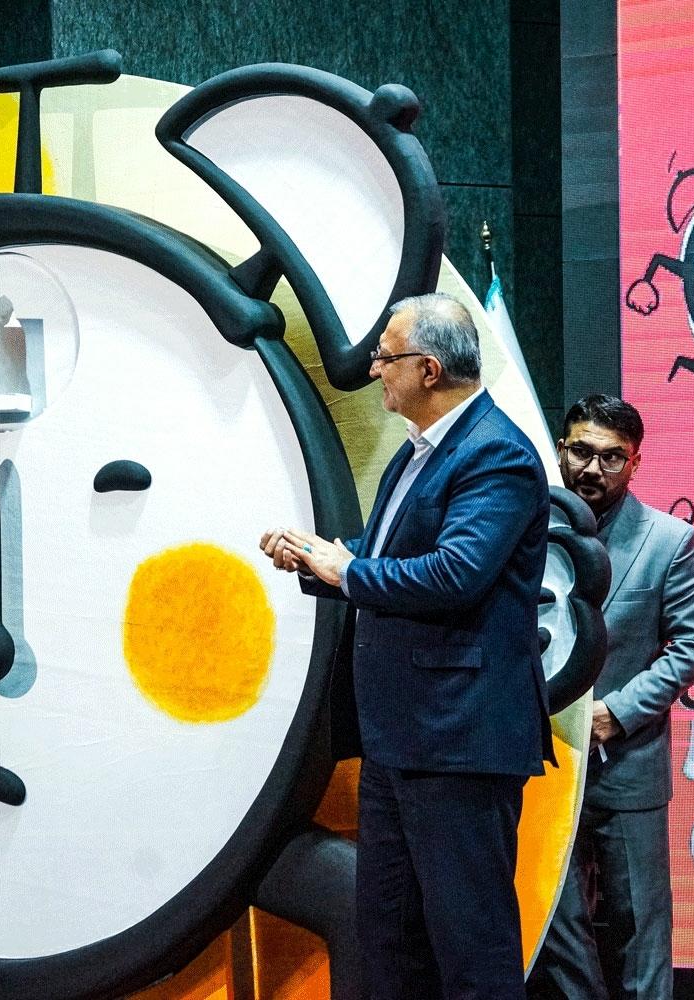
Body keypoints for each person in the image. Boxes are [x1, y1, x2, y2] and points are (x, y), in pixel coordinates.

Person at [260, 292, 552, 1000]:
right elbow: (388, 554)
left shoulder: (496, 455)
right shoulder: (421, 450)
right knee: (388, 940)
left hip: (459, 743)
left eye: (385, 357)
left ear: (428, 369)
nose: (372, 369)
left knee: (471, 949)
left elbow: (455, 573)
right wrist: (319, 559)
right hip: (401, 740)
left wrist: (348, 571)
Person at [527, 395, 694, 1000]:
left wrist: (618, 713)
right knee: (553, 927)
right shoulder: (523, 532)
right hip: (539, 766)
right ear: (561, 449)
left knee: (640, 930)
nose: (592, 469)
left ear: (635, 463)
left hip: (626, 766)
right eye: (581, 451)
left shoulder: (669, 540)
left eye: (612, 458)